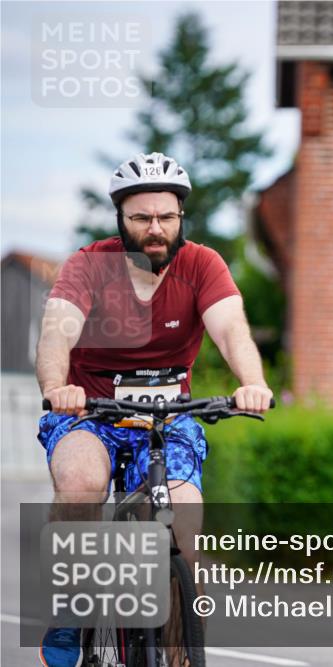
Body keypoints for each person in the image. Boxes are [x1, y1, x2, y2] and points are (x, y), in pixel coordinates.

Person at [36, 151, 273, 667]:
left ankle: (179, 650)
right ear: (120, 218)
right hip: (89, 413)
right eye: (141, 218)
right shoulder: (87, 265)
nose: (155, 229)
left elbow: (231, 329)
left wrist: (253, 382)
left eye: (166, 217)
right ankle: (72, 603)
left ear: (180, 216)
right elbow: (57, 330)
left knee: (184, 524)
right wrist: (59, 386)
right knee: (79, 481)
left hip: (168, 418)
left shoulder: (202, 264)